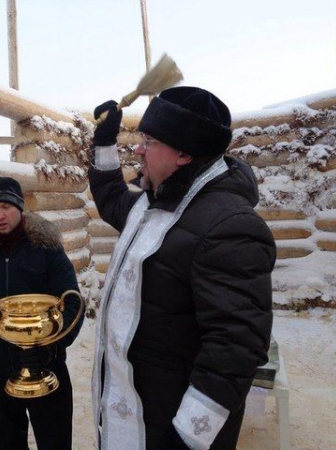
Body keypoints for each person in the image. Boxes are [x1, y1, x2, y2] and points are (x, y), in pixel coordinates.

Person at [89, 87, 276, 450]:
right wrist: (104, 140)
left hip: (171, 427)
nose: (138, 150)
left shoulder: (229, 226)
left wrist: (186, 437)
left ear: (184, 154)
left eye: (149, 141)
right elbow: (111, 199)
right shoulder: (151, 203)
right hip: (136, 411)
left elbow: (234, 348)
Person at [0, 176, 84, 450]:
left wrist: (52, 349)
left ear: (20, 208)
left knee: (55, 443)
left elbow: (73, 304)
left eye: (6, 207)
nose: (0, 215)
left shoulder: (47, 249)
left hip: (47, 367)